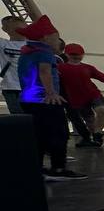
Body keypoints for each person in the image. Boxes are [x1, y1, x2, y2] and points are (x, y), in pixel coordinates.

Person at [14, 15, 83, 179]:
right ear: (45, 38)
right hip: (45, 100)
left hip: (29, 99)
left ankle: (37, 169)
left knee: (39, 135)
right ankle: (58, 169)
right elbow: (44, 71)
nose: (59, 42)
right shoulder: (44, 52)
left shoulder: (28, 51)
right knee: (59, 133)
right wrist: (51, 92)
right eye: (56, 38)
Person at [58, 43, 104, 148]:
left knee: (101, 110)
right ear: (67, 54)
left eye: (78, 54)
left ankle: (97, 134)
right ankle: (94, 137)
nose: (76, 57)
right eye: (73, 54)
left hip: (92, 94)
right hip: (77, 99)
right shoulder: (60, 68)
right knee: (89, 120)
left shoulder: (87, 68)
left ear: (82, 55)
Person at [1, 15, 26, 116]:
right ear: (6, 29)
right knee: (18, 117)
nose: (18, 30)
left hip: (29, 87)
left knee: (32, 116)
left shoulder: (33, 45)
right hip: (10, 87)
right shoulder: (3, 44)